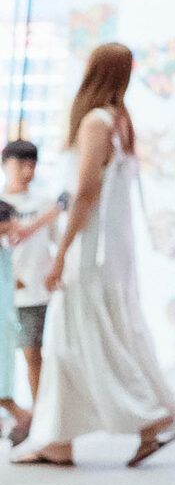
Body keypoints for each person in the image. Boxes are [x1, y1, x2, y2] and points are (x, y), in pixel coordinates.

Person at [11, 47, 175, 468]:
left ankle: (148, 420)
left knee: (80, 339)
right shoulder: (121, 122)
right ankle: (58, 440)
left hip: (90, 253)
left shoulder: (95, 122)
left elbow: (85, 194)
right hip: (113, 252)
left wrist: (61, 252)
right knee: (91, 336)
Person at [3, 136, 64, 439]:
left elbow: (58, 240)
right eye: (19, 162)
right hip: (4, 294)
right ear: (6, 164)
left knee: (32, 353)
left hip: (34, 294)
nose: (26, 169)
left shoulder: (44, 204)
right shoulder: (3, 203)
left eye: (32, 163)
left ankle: (40, 419)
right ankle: (18, 415)